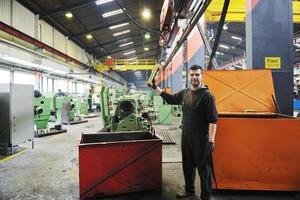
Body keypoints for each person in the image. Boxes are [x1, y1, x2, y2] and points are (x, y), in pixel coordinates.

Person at [149, 65, 218, 200]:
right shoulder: (185, 93)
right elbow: (171, 99)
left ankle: (206, 195)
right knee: (187, 164)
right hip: (186, 136)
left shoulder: (207, 96)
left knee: (203, 168)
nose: (194, 78)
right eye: (191, 75)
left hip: (201, 138)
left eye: (197, 75)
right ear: (188, 77)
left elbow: (213, 120)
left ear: (202, 76)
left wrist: (211, 141)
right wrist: (154, 88)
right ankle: (189, 190)